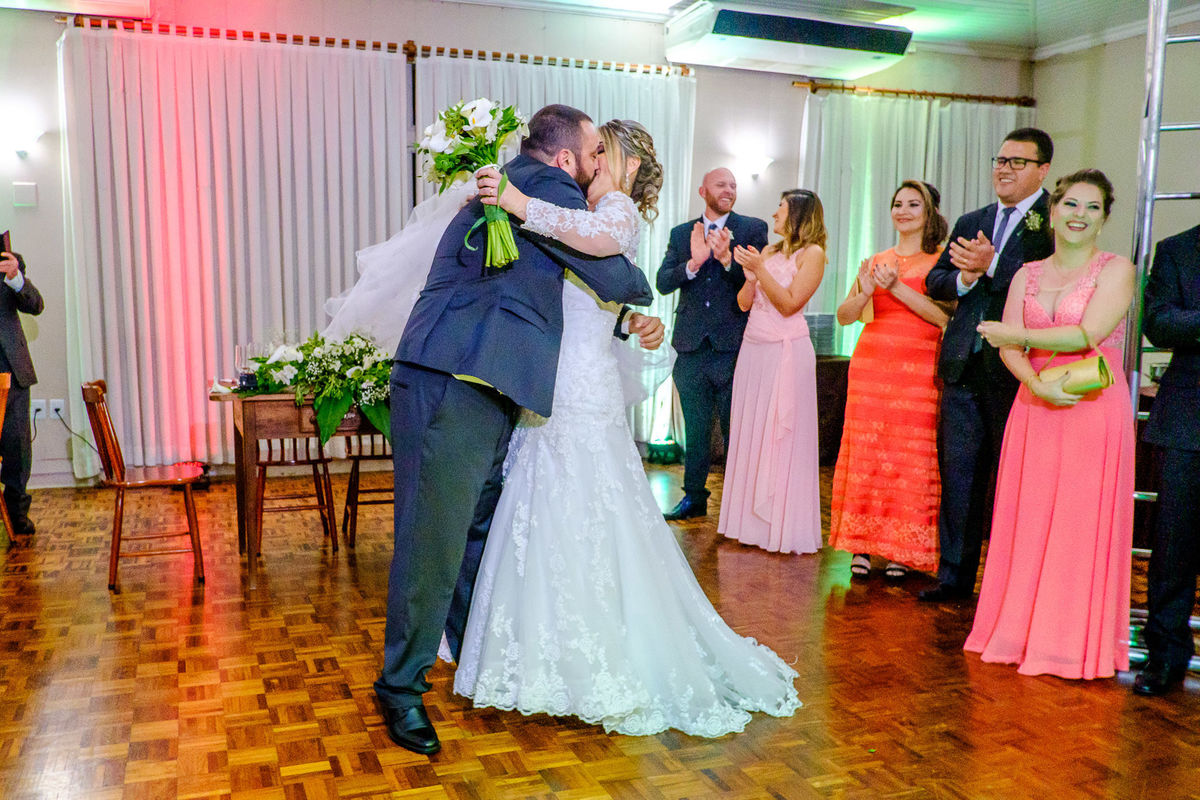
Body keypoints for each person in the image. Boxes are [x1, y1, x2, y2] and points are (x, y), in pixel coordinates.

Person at [458, 121, 800, 736]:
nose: (591, 158)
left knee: (588, 508)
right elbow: (594, 296)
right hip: (561, 379)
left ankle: (589, 650)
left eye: (600, 150)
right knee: (546, 507)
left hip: (581, 389)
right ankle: (540, 648)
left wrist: (515, 202)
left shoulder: (613, 210)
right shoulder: (577, 207)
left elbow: (596, 239)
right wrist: (631, 323)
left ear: (624, 164)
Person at [373, 104, 658, 755]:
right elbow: (617, 272)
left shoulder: (508, 186)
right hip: (459, 381)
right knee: (434, 540)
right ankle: (399, 687)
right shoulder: (543, 189)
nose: (597, 169)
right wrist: (636, 287)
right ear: (565, 160)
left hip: (475, 380)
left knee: (473, 530)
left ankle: (477, 649)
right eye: (593, 156)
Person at [963, 169, 1135, 679]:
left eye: (1092, 208)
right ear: (1053, 212)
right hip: (1035, 405)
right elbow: (1012, 349)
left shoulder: (1117, 269)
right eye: (1071, 205)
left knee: (1080, 524)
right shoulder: (1026, 273)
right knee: (1029, 517)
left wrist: (1008, 332)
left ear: (1104, 218)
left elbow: (1089, 331)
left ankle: (1071, 645)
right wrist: (1034, 385)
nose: (1079, 215)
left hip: (1092, 407)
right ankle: (1017, 631)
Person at [921, 128, 1055, 602]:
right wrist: (965, 276)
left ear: (1043, 170)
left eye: (1017, 162)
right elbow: (934, 281)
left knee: (1008, 480)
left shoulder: (1053, 223)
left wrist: (994, 265)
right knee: (957, 477)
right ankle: (953, 577)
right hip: (962, 366)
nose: (1003, 168)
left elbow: (1045, 288)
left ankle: (1004, 585)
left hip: (1015, 370)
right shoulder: (973, 218)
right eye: (999, 159)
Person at [829, 181, 949, 581]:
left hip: (917, 373)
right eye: (897, 203)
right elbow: (845, 316)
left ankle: (903, 548)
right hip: (872, 369)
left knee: (909, 459)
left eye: (913, 204)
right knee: (868, 455)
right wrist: (864, 292)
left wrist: (895, 287)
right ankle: (861, 546)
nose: (903, 210)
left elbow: (944, 319)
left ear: (929, 211)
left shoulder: (940, 263)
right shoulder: (877, 258)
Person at [656, 168, 769, 521]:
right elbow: (662, 282)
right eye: (721, 184)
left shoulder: (752, 229)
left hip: (732, 346)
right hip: (690, 348)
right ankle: (694, 497)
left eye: (733, 185)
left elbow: (758, 283)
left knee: (737, 428)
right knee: (696, 427)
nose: (729, 190)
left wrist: (724, 260)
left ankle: (741, 504)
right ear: (702, 189)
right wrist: (694, 262)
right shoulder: (681, 233)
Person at [716, 189, 825, 555]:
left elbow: (791, 303)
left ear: (798, 213)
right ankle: (748, 525)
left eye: (781, 207)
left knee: (780, 434)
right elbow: (745, 303)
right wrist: (750, 277)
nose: (775, 213)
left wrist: (760, 271)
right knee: (752, 429)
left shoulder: (814, 254)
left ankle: (782, 525)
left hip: (786, 352)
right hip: (754, 350)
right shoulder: (769, 252)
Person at [1133, 222, 1200, 696]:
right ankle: (1166, 655)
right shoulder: (1177, 249)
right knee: (1174, 546)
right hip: (1189, 416)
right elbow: (1158, 322)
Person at [0, 248, 44, 537]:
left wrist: (15, 277)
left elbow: (35, 305)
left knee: (17, 448)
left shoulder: (7, 261)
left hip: (9, 371)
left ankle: (16, 513)